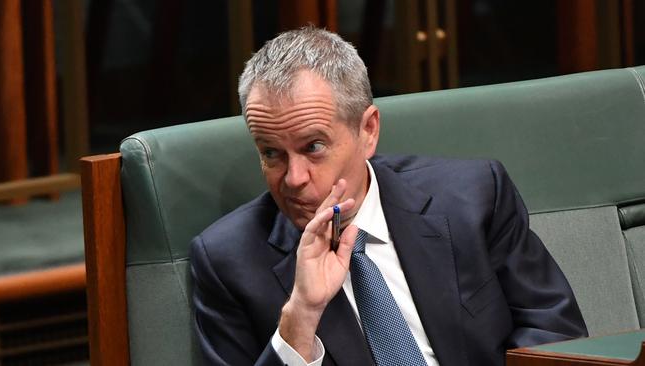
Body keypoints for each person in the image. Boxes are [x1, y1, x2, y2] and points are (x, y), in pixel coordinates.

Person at [190, 27, 587, 366]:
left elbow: (555, 332)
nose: (293, 179)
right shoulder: (228, 262)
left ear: (368, 131)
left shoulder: (474, 197)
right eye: (271, 153)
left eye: (313, 147)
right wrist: (300, 318)